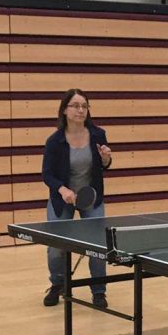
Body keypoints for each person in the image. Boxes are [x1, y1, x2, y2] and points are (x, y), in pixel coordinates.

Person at [41, 89, 113, 309]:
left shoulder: (98, 134)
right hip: (63, 198)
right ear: (64, 110)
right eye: (75, 105)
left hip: (90, 197)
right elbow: (47, 174)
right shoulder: (55, 141)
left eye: (84, 106)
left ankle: (99, 291)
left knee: (98, 246)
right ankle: (58, 284)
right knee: (56, 248)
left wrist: (107, 159)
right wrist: (62, 190)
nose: (80, 110)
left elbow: (104, 166)